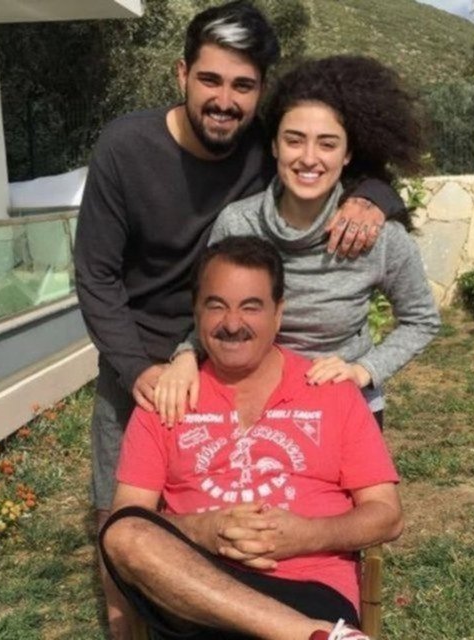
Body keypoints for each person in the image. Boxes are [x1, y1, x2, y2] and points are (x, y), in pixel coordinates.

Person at [74, 4, 407, 634]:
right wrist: (142, 370)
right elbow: (96, 275)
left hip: (238, 347)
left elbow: (344, 160)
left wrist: (374, 197)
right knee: (117, 522)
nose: (224, 100)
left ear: (260, 92)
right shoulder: (126, 148)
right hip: (139, 357)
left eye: (243, 85)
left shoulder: (264, 144)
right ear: (182, 74)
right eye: (210, 80)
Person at [100, 236, 403, 640]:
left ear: (279, 314)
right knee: (122, 532)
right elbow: (128, 520)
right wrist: (202, 530)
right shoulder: (167, 398)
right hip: (193, 589)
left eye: (251, 307)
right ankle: (309, 635)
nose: (232, 323)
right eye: (216, 305)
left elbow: (387, 515)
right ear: (196, 311)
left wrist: (307, 535)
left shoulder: (331, 392)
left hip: (308, 586)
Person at [154, 54, 441, 429]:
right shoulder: (238, 223)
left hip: (345, 411)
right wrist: (186, 355)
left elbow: (421, 320)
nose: (309, 158)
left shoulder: (376, 234)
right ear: (274, 146)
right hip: (255, 408)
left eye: (327, 144)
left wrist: (363, 370)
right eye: (294, 140)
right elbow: (212, 309)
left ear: (348, 154)